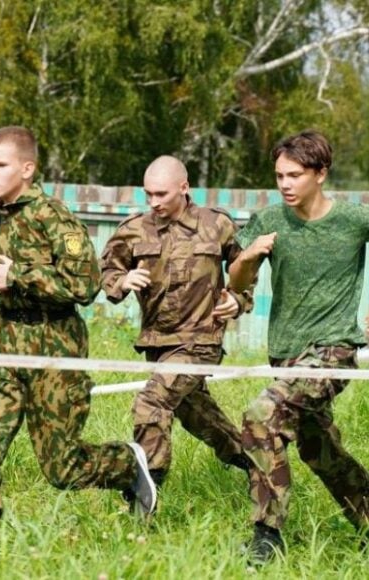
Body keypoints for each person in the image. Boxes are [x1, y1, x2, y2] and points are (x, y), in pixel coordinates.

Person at [0, 126, 156, 554]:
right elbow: (2, 288)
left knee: (62, 468)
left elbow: (86, 285)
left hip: (54, 356)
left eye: (0, 165)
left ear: (27, 169)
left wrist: (20, 276)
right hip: (3, 357)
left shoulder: (54, 217)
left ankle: (126, 465)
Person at [228, 131, 369, 564]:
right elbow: (235, 283)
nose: (285, 184)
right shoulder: (270, 220)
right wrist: (248, 256)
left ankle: (266, 538)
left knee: (260, 417)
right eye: (279, 176)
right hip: (286, 355)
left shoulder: (353, 219)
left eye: (295, 175)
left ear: (321, 173)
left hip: (334, 350)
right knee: (318, 449)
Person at [100, 156, 253, 511]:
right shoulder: (135, 229)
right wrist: (122, 280)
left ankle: (146, 487)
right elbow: (107, 268)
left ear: (184, 188)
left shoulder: (217, 224)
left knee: (151, 403)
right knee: (198, 416)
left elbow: (245, 267)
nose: (154, 202)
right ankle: (255, 464)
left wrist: (240, 299)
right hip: (158, 343)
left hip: (201, 341)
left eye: (161, 194)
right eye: (148, 194)